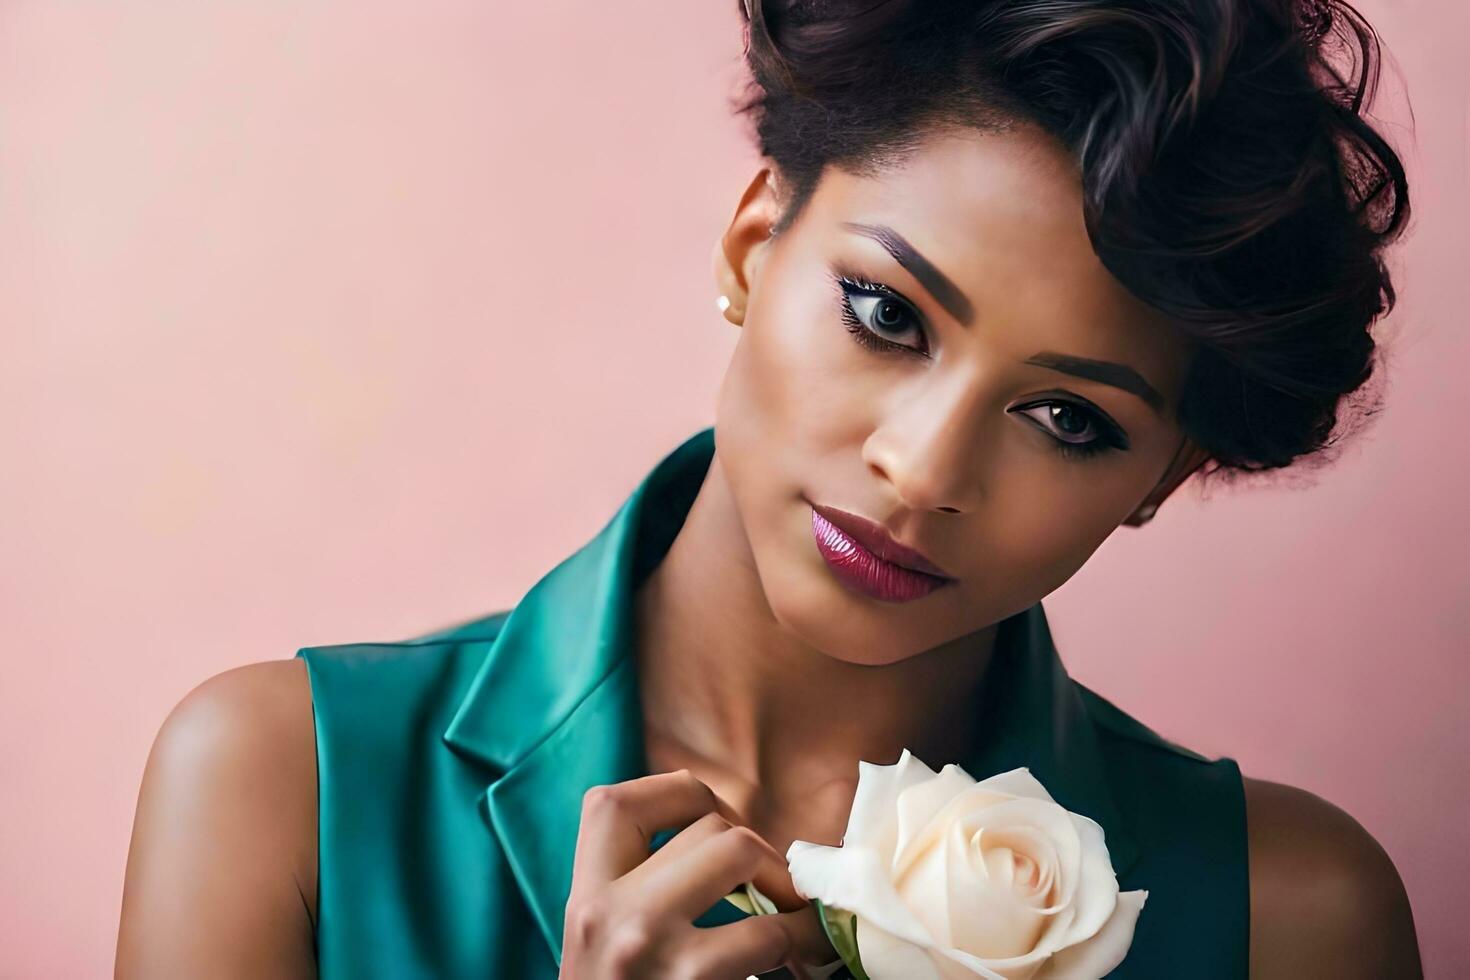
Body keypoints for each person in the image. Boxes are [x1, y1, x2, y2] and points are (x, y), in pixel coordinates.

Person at [117, 0, 1424, 977]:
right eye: (884, 312)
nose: (918, 470)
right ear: (753, 246)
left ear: (1160, 478)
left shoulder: (1286, 917)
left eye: (1065, 419)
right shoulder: (285, 792)